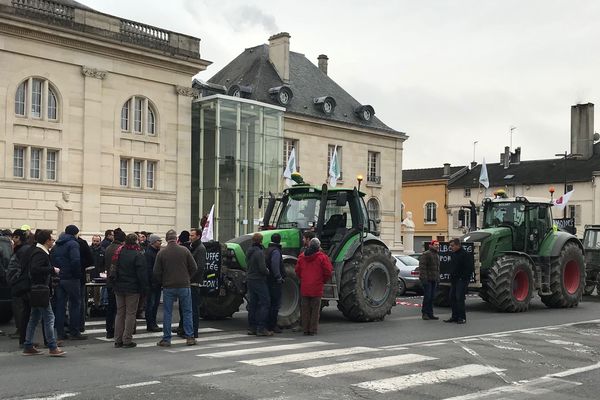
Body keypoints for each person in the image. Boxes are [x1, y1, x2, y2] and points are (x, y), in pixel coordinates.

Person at [22, 230, 65, 357]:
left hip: (36, 288)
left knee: (34, 318)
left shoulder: (37, 251)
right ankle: (52, 346)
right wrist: (52, 269)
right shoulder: (40, 253)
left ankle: (28, 345)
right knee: (49, 318)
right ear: (47, 241)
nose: (52, 241)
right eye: (51, 239)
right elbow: (35, 269)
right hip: (40, 289)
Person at [153, 229, 197, 347]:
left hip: (168, 286)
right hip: (184, 285)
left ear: (167, 239)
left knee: (168, 313)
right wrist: (188, 278)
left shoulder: (161, 253)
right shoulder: (185, 250)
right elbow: (194, 267)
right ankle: (190, 337)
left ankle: (166, 339)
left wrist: (163, 281)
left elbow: (156, 272)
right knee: (187, 311)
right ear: (176, 239)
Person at [113, 233, 149, 348]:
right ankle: (127, 339)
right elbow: (142, 273)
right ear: (136, 241)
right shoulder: (138, 254)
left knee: (120, 313)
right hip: (132, 288)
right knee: (130, 313)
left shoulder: (119, 252)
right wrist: (145, 288)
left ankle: (118, 339)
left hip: (119, 286)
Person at [52, 225, 87, 340]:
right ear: (75, 233)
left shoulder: (57, 244)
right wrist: (77, 275)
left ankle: (60, 332)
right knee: (75, 304)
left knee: (60, 305)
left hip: (60, 276)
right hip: (71, 277)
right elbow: (76, 260)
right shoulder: (73, 244)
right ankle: (74, 331)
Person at [295, 238, 332, 336]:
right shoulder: (322, 257)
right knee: (315, 310)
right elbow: (328, 271)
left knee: (305, 309)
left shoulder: (302, 257)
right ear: (318, 246)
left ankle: (305, 329)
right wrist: (323, 280)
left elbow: (297, 270)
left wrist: (303, 279)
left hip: (305, 287)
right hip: (317, 286)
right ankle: (313, 330)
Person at [7, 229, 32, 345]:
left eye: (15, 237)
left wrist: (16, 280)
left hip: (20, 284)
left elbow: (22, 268)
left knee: (21, 310)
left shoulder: (23, 250)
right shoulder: (21, 249)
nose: (13, 239)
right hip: (18, 283)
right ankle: (24, 337)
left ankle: (24, 336)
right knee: (21, 309)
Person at [245, 233, 271, 336]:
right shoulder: (259, 252)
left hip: (250, 279)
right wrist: (268, 271)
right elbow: (262, 268)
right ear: (261, 241)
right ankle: (261, 328)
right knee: (265, 302)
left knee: (253, 304)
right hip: (258, 279)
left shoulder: (249, 251)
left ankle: (252, 328)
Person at [444, 238, 474, 324]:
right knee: (452, 297)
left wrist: (463, 277)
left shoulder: (465, 254)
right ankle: (454, 316)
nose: (451, 247)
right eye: (450, 246)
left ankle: (462, 317)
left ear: (458, 245)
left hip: (462, 280)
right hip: (454, 279)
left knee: (459, 298)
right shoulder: (453, 254)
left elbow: (469, 268)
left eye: (452, 246)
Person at [104, 228, 125, 338]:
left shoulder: (108, 248)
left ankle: (109, 330)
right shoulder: (120, 249)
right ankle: (116, 330)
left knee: (110, 307)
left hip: (109, 281)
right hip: (118, 281)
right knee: (119, 309)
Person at [265, 233, 285, 333]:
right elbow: (275, 265)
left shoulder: (267, 250)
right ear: (279, 240)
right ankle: (272, 325)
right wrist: (279, 277)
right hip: (274, 281)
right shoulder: (276, 251)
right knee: (275, 304)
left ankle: (267, 324)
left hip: (267, 280)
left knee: (269, 303)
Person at [189, 228, 206, 338]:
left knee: (194, 308)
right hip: (190, 281)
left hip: (194, 282)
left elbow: (199, 267)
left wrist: (190, 278)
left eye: (192, 235)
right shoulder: (193, 247)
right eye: (190, 235)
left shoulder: (200, 248)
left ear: (198, 236)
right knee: (188, 308)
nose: (190, 237)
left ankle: (194, 331)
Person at [144, 234, 162, 332]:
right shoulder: (149, 253)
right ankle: (151, 324)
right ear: (154, 242)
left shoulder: (156, 252)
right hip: (152, 284)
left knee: (154, 304)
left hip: (156, 283)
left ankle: (153, 323)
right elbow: (149, 270)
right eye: (159, 241)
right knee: (151, 305)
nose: (160, 243)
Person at [419, 240, 440, 320]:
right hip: (427, 280)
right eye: (435, 244)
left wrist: (437, 278)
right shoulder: (426, 254)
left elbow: (437, 269)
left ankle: (430, 313)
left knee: (432, 297)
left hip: (434, 279)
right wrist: (424, 279)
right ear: (431, 245)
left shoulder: (436, 255)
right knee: (427, 297)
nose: (437, 246)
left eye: (438, 245)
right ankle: (424, 313)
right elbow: (422, 267)